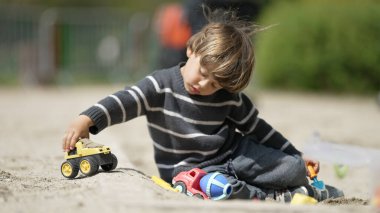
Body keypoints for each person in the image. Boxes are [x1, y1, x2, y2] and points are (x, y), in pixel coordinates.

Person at [62, 9, 342, 202]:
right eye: (203, 73)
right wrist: (87, 119)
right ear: (191, 49)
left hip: (235, 154)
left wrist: (295, 154)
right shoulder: (161, 85)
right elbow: (125, 100)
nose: (205, 85)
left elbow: (258, 129)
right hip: (192, 171)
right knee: (219, 188)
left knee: (293, 168)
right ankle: (274, 197)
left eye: (216, 84)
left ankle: (311, 189)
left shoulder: (227, 96)